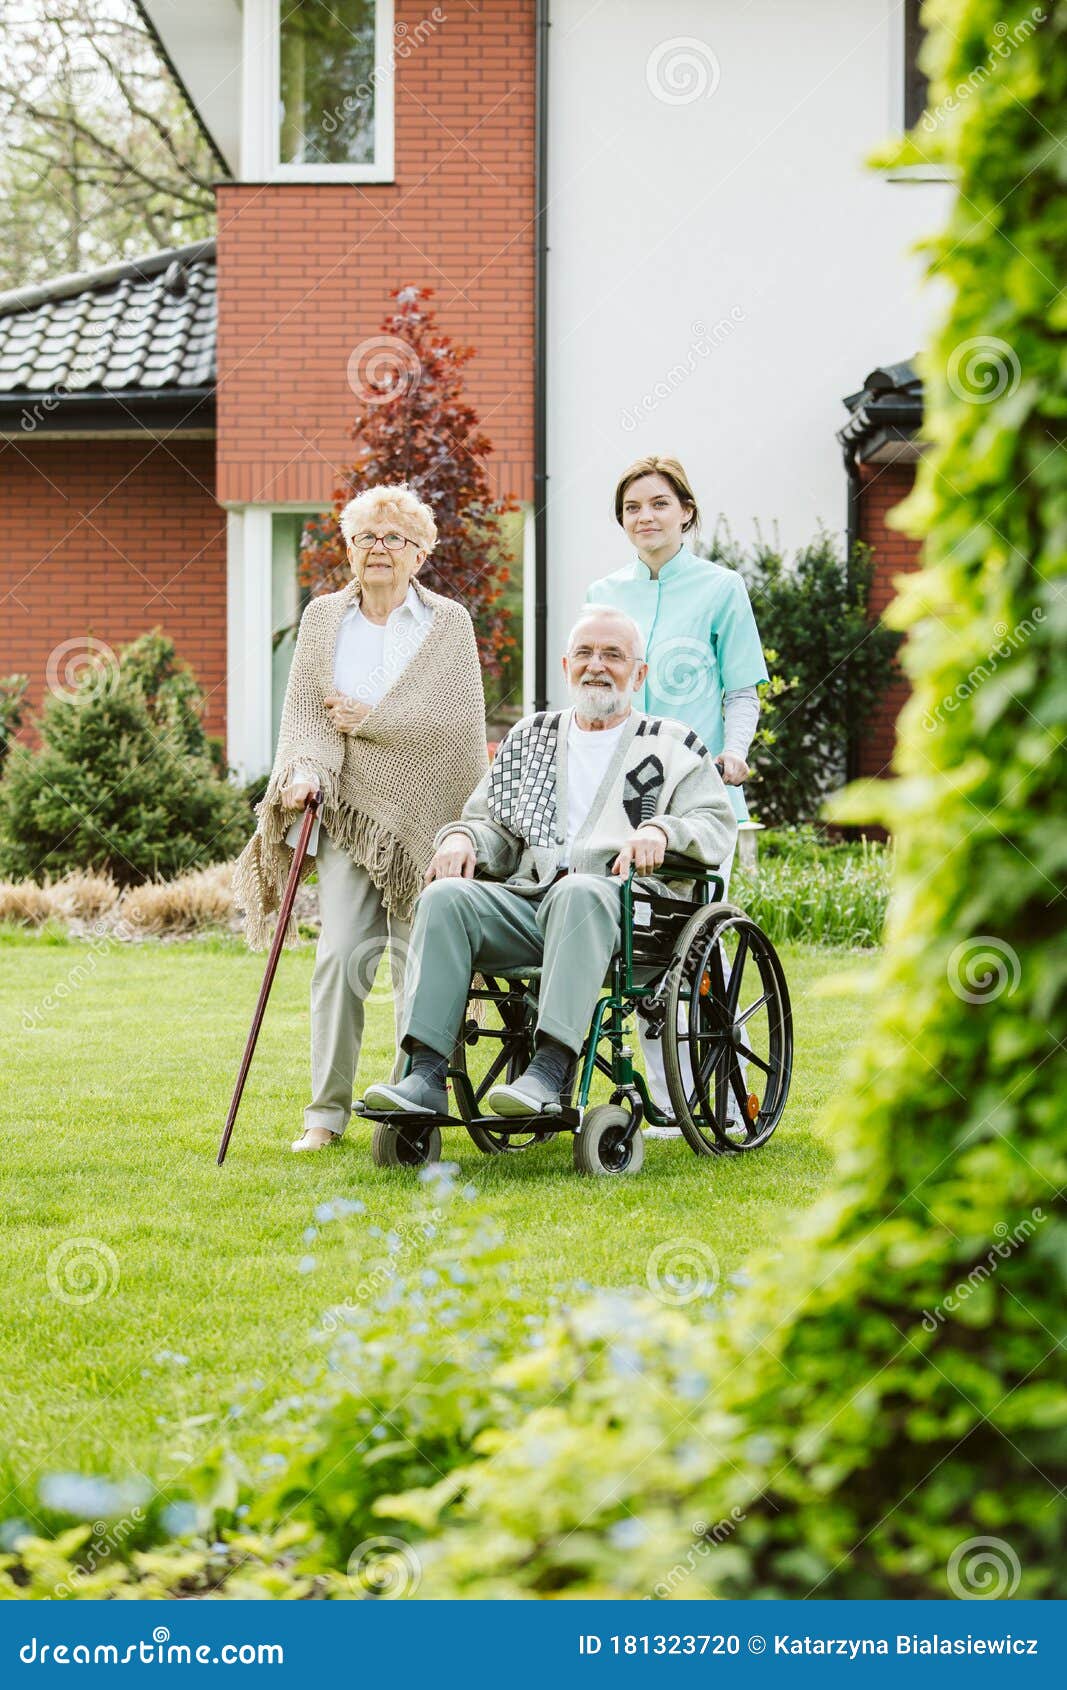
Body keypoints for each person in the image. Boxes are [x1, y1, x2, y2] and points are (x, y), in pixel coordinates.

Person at [362, 606, 736, 1120]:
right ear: (566, 666)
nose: (596, 665)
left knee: (579, 891)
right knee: (445, 896)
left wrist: (662, 829)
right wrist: (461, 838)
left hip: (628, 917)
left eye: (612, 655)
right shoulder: (531, 736)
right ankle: (425, 1075)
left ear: (640, 673)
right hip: (531, 906)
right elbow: (491, 825)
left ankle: (549, 1071)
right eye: (584, 653)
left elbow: (716, 823)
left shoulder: (672, 744)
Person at [233, 483, 488, 1152]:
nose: (380, 548)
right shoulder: (323, 618)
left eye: (395, 538)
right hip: (346, 814)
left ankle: (409, 1103)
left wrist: (373, 722)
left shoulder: (448, 623)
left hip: (427, 823)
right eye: (366, 537)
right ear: (347, 548)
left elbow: (456, 729)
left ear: (420, 553)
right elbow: (306, 717)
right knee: (340, 958)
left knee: (418, 965)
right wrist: (306, 771)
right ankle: (325, 1114)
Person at [585, 455, 768, 1135]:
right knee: (640, 958)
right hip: (626, 800)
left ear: (685, 512)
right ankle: (665, 1104)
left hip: (699, 798)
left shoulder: (721, 589)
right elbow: (594, 687)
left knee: (701, 956)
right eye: (633, 507)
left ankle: (724, 1098)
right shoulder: (604, 592)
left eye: (658, 504)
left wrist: (735, 754)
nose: (645, 517)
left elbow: (740, 688)